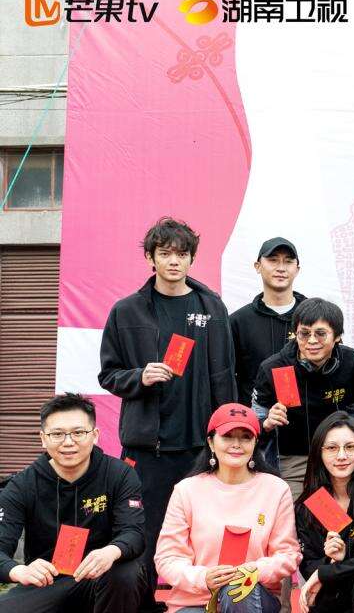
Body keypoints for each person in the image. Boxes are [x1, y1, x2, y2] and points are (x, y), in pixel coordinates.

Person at [97, 217, 236, 609]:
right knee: (147, 533)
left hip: (199, 446)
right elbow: (108, 374)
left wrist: (226, 436)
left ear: (192, 259)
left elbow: (224, 376)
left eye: (182, 254)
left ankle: (202, 604)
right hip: (148, 448)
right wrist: (139, 376)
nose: (174, 261)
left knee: (204, 531)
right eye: (165, 253)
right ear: (150, 258)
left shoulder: (211, 308)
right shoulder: (127, 311)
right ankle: (144, 603)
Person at [0, 394, 147, 613]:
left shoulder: (120, 474)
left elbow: (134, 533)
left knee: (125, 573)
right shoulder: (22, 485)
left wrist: (111, 551)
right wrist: (19, 571)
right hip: (48, 583)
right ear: (43, 438)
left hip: (104, 578)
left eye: (78, 432)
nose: (68, 442)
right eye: (57, 434)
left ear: (95, 435)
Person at [154, 403, 301, 612]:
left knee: (237, 587)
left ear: (255, 443)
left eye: (245, 437)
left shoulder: (276, 489)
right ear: (211, 442)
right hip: (195, 600)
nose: (236, 444)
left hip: (254, 597)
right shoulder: (186, 490)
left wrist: (254, 571)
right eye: (227, 436)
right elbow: (167, 558)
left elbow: (288, 554)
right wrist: (203, 577)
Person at [253, 298, 354, 498]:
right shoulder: (273, 367)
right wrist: (267, 423)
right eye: (304, 334)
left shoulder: (351, 361)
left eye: (320, 334)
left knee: (345, 513)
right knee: (293, 513)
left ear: (337, 336)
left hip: (341, 456)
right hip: (294, 461)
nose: (312, 341)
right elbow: (253, 425)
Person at [294, 412, 354, 613]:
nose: (341, 456)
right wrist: (329, 561)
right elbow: (309, 566)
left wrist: (328, 571)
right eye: (331, 448)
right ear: (318, 452)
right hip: (332, 596)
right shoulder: (308, 505)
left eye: (350, 447)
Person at [230, 237, 305, 407]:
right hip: (254, 416)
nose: (281, 268)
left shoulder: (313, 317)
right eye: (273, 260)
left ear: (297, 269)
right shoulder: (238, 321)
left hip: (306, 416)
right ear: (257, 266)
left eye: (288, 262)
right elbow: (228, 375)